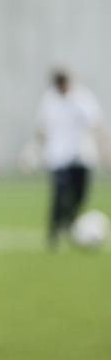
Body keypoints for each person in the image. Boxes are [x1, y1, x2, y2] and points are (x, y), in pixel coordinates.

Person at [35, 69, 105, 248]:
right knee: (58, 194)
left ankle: (71, 223)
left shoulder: (82, 97)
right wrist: (34, 151)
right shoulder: (49, 100)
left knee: (80, 195)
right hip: (58, 156)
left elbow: (96, 122)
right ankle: (54, 233)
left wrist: (105, 148)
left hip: (81, 155)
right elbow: (42, 128)